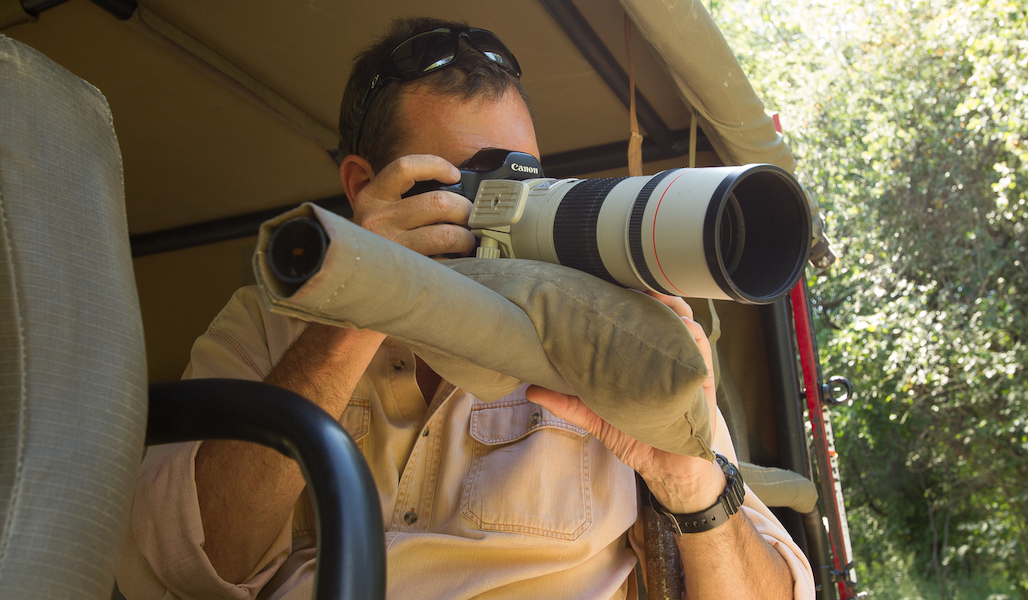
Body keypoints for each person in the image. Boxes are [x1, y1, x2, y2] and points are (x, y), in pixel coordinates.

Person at [116, 17, 814, 600]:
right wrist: (363, 298)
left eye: (528, 179)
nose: (510, 208)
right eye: (476, 180)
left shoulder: (612, 336)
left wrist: (690, 482)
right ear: (365, 186)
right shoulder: (273, 321)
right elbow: (179, 564)